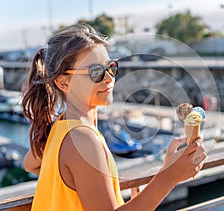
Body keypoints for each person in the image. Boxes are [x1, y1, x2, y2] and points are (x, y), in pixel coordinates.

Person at [22, 23, 206, 211]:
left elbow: (29, 164)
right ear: (63, 82)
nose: (109, 78)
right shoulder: (82, 139)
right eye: (95, 72)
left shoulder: (60, 127)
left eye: (110, 67)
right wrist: (169, 176)